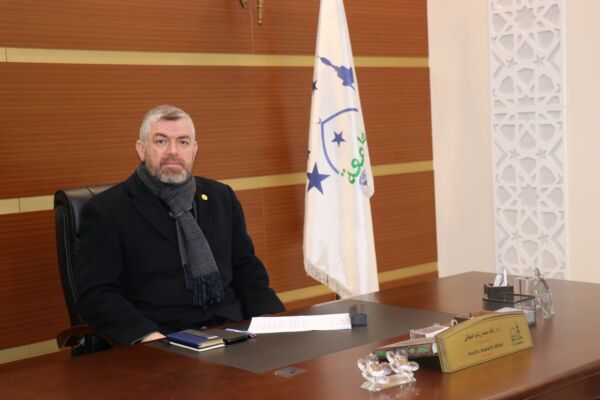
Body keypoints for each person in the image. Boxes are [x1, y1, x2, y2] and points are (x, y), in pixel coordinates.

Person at [76, 105, 284, 345]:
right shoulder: (108, 210)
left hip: (232, 332)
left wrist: (274, 322)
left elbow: (246, 268)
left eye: (183, 142)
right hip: (164, 339)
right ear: (142, 149)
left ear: (194, 150)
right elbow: (97, 294)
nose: (173, 151)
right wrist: (149, 338)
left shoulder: (221, 197)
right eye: (161, 141)